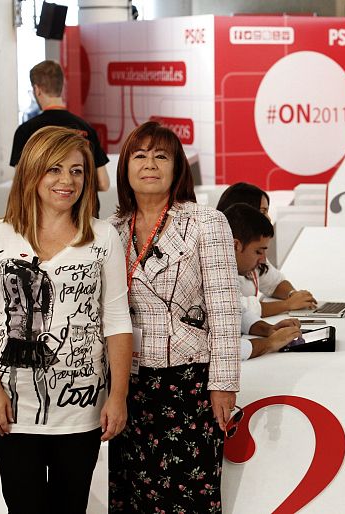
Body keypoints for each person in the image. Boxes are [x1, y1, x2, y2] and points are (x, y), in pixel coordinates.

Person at [0, 126, 132, 513]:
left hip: (82, 409)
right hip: (12, 408)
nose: (67, 181)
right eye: (55, 169)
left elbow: (117, 321)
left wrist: (118, 395)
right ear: (33, 172)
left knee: (70, 507)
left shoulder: (103, 236)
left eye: (78, 171)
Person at [108, 121, 242, 513]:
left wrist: (223, 383)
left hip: (188, 382)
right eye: (139, 155)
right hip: (128, 382)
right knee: (132, 491)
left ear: (177, 167)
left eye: (161, 156)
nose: (150, 164)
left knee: (188, 496)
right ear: (125, 168)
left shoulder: (206, 222)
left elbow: (225, 309)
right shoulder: (111, 230)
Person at [216, 182, 317, 316]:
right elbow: (237, 308)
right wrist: (288, 304)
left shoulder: (250, 251)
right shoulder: (215, 261)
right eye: (263, 211)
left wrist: (293, 295)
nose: (268, 218)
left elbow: (274, 282)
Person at [10, 60, 110, 192]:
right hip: (86, 211)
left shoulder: (26, 131)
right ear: (61, 87)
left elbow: (21, 183)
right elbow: (103, 183)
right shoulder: (86, 128)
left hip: (44, 212)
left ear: (37, 89)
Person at [222, 203, 304, 358]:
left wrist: (269, 330)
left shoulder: (225, 268)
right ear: (235, 245)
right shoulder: (199, 276)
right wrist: (270, 343)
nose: (263, 259)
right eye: (258, 251)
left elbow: (236, 310)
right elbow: (224, 350)